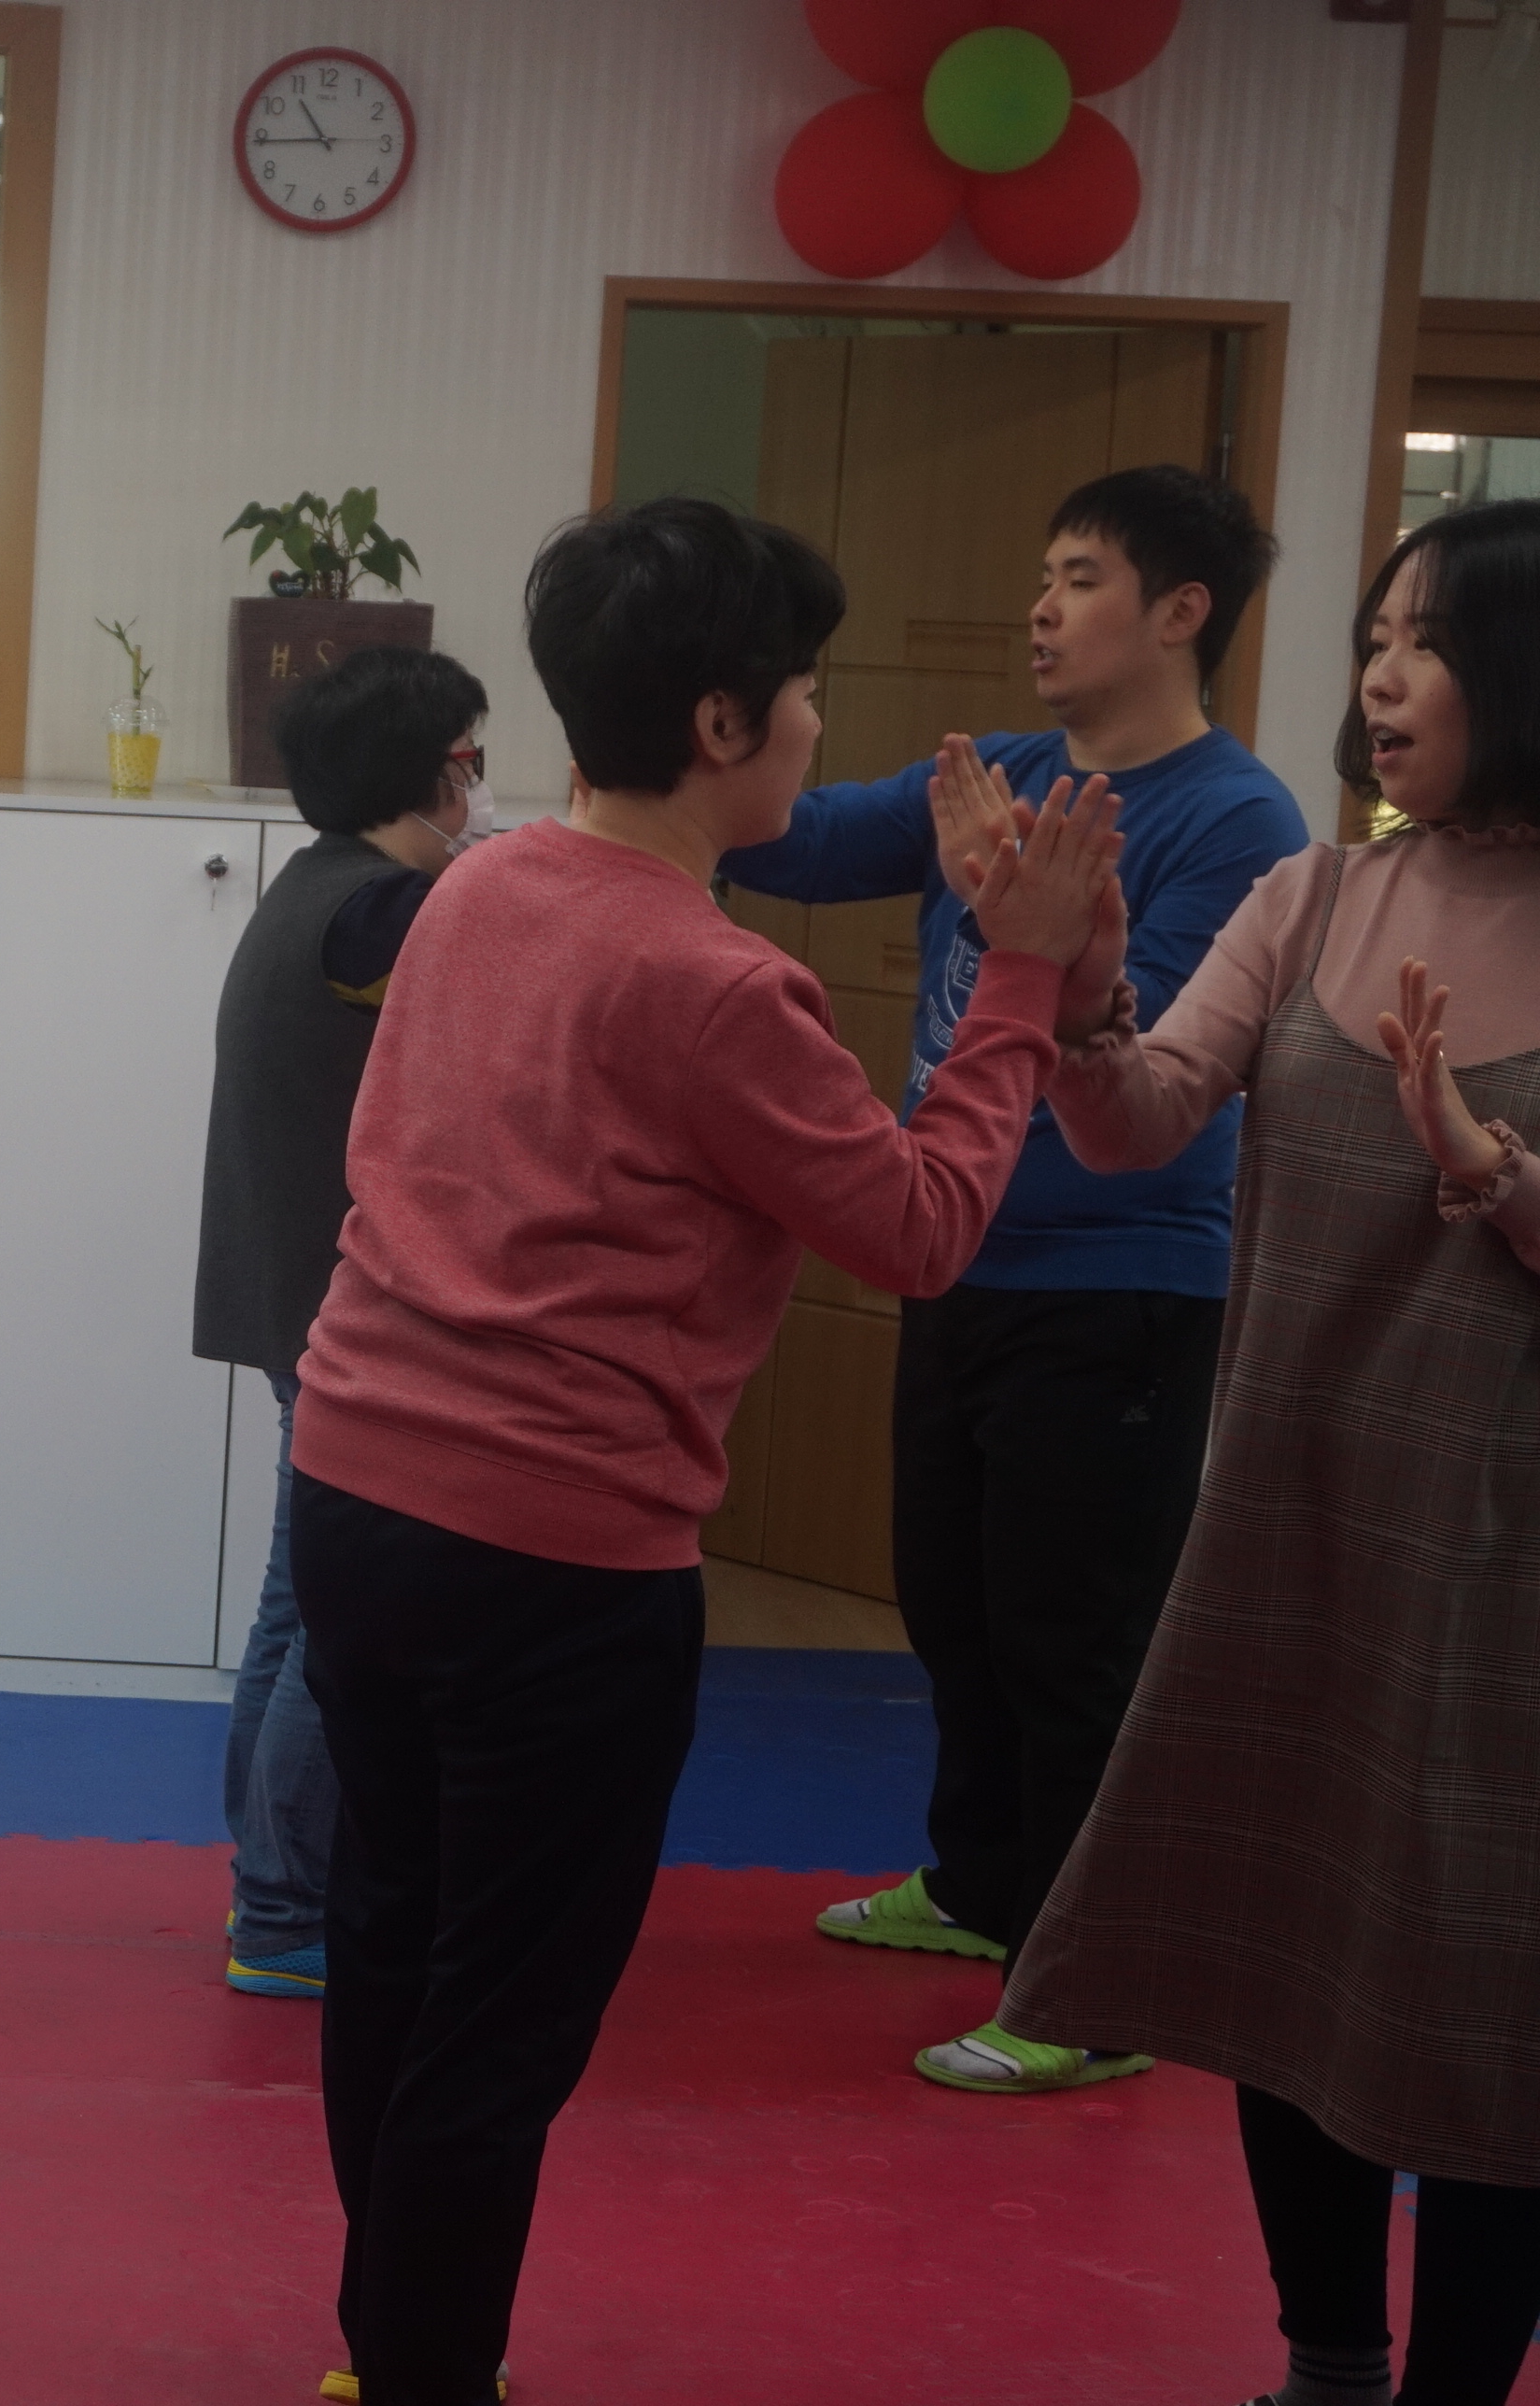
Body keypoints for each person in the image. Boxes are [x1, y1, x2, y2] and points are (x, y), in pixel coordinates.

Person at [291, 496, 1122, 2406]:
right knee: (498, 2017)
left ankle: (383, 2346)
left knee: (393, 1943)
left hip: (355, 1492)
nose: (823, 725)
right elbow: (920, 1228)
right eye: (805, 692)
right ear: (725, 724)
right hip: (550, 1558)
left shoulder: (474, 886)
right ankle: (422, 2372)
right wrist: (1016, 972)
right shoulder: (719, 984)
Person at [1004, 499, 1540, 2406]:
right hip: (1290, 1515)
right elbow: (1139, 1120)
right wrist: (1080, 998)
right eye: (1376, 636)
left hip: (1499, 1561)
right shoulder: (1314, 893)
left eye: (1430, 641)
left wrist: (1495, 1175)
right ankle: (1328, 2367)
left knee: (1483, 1992)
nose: (1382, 676)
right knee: (1275, 1944)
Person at [723, 465, 1309, 2094]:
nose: (1042, 609)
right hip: (961, 1253)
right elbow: (797, 837)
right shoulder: (1004, 772)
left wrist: (1029, 921)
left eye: (1081, 578)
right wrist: (681, 759)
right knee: (955, 1603)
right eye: (1044, 576)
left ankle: (1092, 1981)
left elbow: (1154, 1051)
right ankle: (980, 1885)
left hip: (1119, 1282)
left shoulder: (1237, 819)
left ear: (1180, 611)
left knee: (1074, 1638)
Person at [193, 642, 490, 2000]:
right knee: (334, 1622)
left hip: (290, 1301)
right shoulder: (381, 912)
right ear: (430, 772)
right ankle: (285, 1907)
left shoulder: (313, 885)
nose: (479, 784)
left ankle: (269, 1884)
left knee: (293, 1602)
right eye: (470, 758)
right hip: (344, 1318)